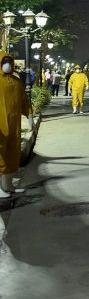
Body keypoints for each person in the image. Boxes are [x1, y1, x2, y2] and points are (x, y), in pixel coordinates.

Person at [0, 51, 33, 198]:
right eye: (4, 61)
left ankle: (8, 185)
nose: (7, 64)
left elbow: (24, 101)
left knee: (12, 153)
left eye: (9, 61)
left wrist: (30, 114)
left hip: (14, 124)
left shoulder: (17, 81)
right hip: (0, 125)